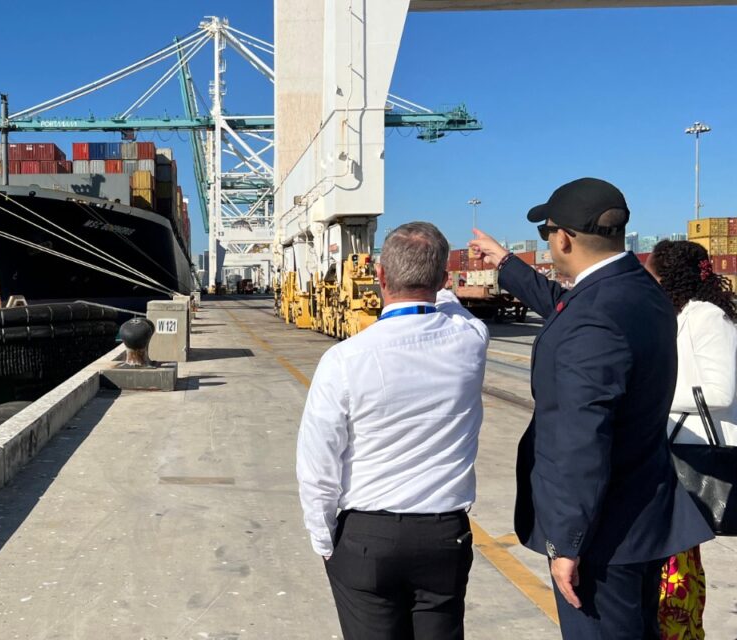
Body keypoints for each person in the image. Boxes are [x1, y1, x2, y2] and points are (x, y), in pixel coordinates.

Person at [469, 178, 713, 639]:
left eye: (547, 233)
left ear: (562, 238)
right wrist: (506, 263)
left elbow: (579, 440)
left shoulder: (595, 318)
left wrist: (566, 543)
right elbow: (568, 306)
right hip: (645, 516)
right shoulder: (641, 291)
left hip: (603, 538)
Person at [297, 222, 489, 639]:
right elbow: (454, 306)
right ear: (442, 280)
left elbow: (318, 463)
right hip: (443, 536)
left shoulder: (343, 360)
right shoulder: (471, 339)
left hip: (367, 538)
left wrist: (324, 539)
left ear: (380, 275)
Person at [646, 239, 737, 640]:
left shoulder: (708, 318)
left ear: (668, 276)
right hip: (674, 446)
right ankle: (678, 629)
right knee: (675, 556)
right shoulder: (677, 315)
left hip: (698, 453)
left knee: (676, 555)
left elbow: (720, 392)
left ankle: (680, 630)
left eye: (652, 273)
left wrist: (649, 395)